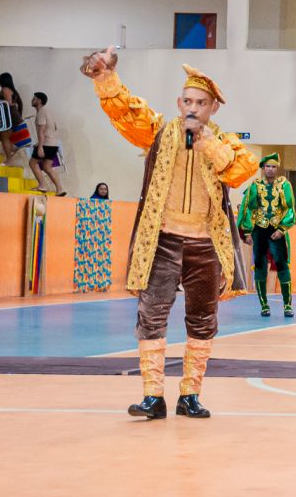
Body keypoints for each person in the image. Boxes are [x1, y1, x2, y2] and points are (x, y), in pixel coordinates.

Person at [79, 47, 255, 420]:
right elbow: (126, 111)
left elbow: (241, 169)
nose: (193, 108)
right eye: (188, 101)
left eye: (201, 103)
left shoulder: (225, 142)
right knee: (151, 314)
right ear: (179, 103)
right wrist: (105, 77)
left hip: (205, 243)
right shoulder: (160, 131)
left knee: (203, 319)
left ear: (213, 108)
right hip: (163, 240)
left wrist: (206, 143)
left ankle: (190, 394)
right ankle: (152, 395)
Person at [237, 153, 296, 318]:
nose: (271, 169)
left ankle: (287, 305)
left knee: (283, 265)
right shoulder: (255, 186)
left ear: (277, 169)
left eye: (274, 167)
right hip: (259, 230)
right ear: (263, 168)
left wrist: (282, 228)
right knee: (260, 266)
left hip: (277, 229)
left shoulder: (284, 185)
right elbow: (248, 208)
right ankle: (264, 305)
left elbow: (289, 207)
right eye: (268, 166)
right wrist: (247, 231)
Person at [28, 91, 66, 196]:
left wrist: (40, 146)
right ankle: (60, 189)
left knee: (32, 163)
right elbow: (54, 128)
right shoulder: (48, 112)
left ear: (39, 101)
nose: (32, 100)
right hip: (53, 144)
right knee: (47, 167)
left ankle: (42, 185)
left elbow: (42, 131)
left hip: (46, 144)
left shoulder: (41, 113)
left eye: (34, 99)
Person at [0, 72, 22, 160]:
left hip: (9, 116)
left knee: (4, 137)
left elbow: (8, 103)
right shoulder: (12, 90)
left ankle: (9, 159)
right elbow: (18, 103)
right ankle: (12, 147)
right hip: (12, 115)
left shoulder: (5, 89)